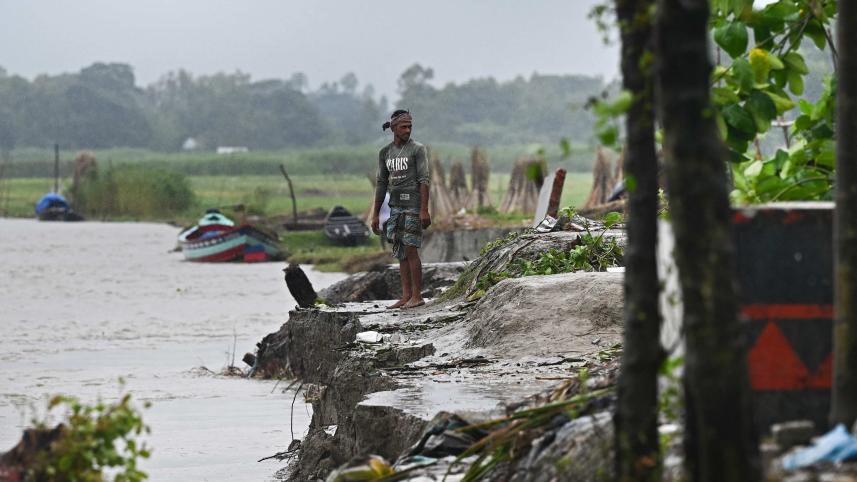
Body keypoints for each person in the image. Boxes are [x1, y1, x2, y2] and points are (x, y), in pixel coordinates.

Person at [371, 110, 431, 309]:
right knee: (401, 251)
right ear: (393, 128)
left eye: (410, 127)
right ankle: (406, 295)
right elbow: (381, 184)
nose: (407, 130)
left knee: (411, 249)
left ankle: (417, 296)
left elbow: (424, 180)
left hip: (412, 207)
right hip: (395, 207)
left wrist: (424, 210)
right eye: (403, 127)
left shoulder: (417, 150)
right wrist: (375, 215)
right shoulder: (385, 153)